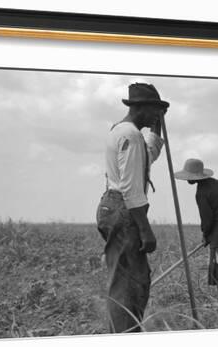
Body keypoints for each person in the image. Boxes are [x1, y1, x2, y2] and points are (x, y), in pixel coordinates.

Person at [96, 83, 169, 332]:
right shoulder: (131, 135)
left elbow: (148, 153)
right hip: (124, 208)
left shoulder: (122, 130)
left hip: (112, 206)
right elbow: (130, 188)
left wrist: (157, 124)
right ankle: (126, 342)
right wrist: (145, 229)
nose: (154, 116)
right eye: (153, 110)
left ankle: (125, 334)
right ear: (141, 108)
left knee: (127, 281)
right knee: (129, 284)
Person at [174, 158, 218, 303]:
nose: (188, 180)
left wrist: (205, 235)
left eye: (190, 177)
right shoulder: (215, 182)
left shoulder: (201, 193)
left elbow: (207, 219)